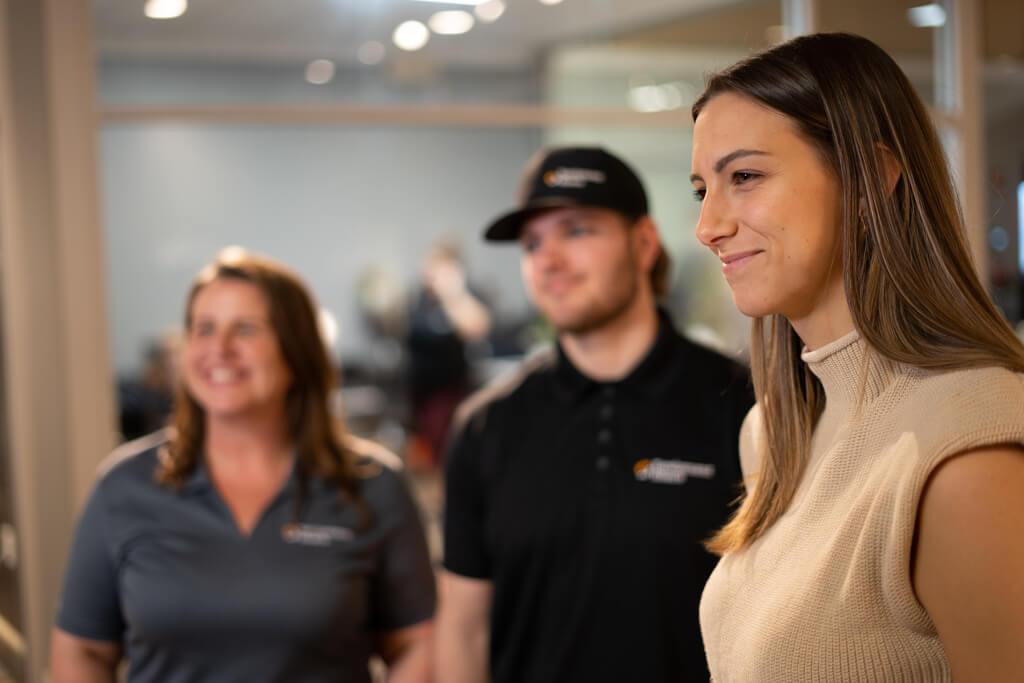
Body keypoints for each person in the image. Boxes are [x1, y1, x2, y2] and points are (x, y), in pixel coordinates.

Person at [689, 32, 1024, 682]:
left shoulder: (968, 444)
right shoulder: (775, 432)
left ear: (871, 180)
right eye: (702, 189)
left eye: (745, 177)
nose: (709, 226)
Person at [436, 146, 754, 682]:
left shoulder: (743, 404)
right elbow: (465, 631)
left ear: (644, 243)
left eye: (577, 231)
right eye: (532, 242)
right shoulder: (485, 426)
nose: (548, 259)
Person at [51, 247, 436, 683]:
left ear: (297, 353)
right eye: (204, 329)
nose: (219, 349)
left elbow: (417, 644)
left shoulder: (372, 486)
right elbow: (82, 651)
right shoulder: (123, 487)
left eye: (246, 329)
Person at [406, 239, 492, 467]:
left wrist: (452, 293)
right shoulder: (418, 301)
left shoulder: (460, 299)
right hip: (422, 392)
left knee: (455, 452)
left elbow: (477, 328)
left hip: (452, 390)